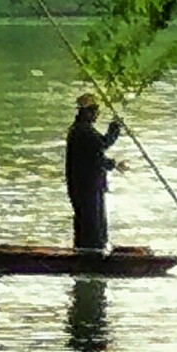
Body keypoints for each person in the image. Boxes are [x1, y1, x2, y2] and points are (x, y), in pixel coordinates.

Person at [65, 91, 124, 252]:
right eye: (94, 111)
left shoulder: (80, 130)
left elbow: (95, 158)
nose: (97, 115)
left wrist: (113, 164)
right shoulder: (83, 132)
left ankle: (91, 249)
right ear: (87, 112)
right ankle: (90, 253)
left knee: (93, 222)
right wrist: (115, 128)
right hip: (86, 186)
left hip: (86, 184)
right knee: (91, 222)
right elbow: (102, 144)